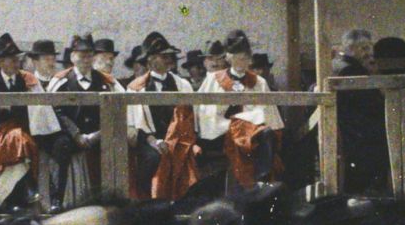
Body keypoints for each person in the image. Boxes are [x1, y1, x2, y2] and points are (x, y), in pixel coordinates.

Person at [0, 38, 61, 209]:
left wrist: (12, 109)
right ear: (0, 62)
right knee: (17, 138)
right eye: (12, 59)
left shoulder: (28, 79)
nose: (17, 63)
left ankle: (18, 195)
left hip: (24, 127)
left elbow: (39, 110)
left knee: (18, 137)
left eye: (18, 59)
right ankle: (27, 189)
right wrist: (1, 109)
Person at [194, 32, 283, 194]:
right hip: (221, 130)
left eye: (245, 58)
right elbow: (206, 113)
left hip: (251, 130)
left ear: (250, 59)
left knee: (268, 133)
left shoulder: (258, 82)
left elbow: (267, 113)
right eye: (237, 57)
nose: (241, 62)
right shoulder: (214, 79)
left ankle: (261, 179)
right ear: (229, 58)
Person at [126, 34, 199, 201]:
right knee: (152, 158)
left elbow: (188, 119)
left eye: (170, 56)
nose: (168, 60)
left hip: (178, 138)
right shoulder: (136, 88)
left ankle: (182, 204)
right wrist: (154, 141)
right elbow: (135, 126)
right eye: (163, 56)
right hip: (150, 140)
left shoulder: (182, 85)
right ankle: (149, 201)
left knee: (190, 156)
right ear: (150, 60)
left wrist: (174, 140)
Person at [48, 35, 115, 210]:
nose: (85, 59)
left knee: (116, 147)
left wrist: (99, 133)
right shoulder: (61, 81)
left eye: (89, 55)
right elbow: (55, 110)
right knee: (61, 146)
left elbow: (116, 109)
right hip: (71, 134)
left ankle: (110, 200)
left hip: (98, 133)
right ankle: (57, 199)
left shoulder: (105, 81)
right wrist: (76, 133)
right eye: (81, 55)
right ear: (72, 57)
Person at [333, 29, 387, 194]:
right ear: (351, 49)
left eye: (369, 48)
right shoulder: (352, 70)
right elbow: (373, 104)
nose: (368, 53)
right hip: (356, 131)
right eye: (363, 48)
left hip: (348, 125)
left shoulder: (338, 64)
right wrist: (374, 75)